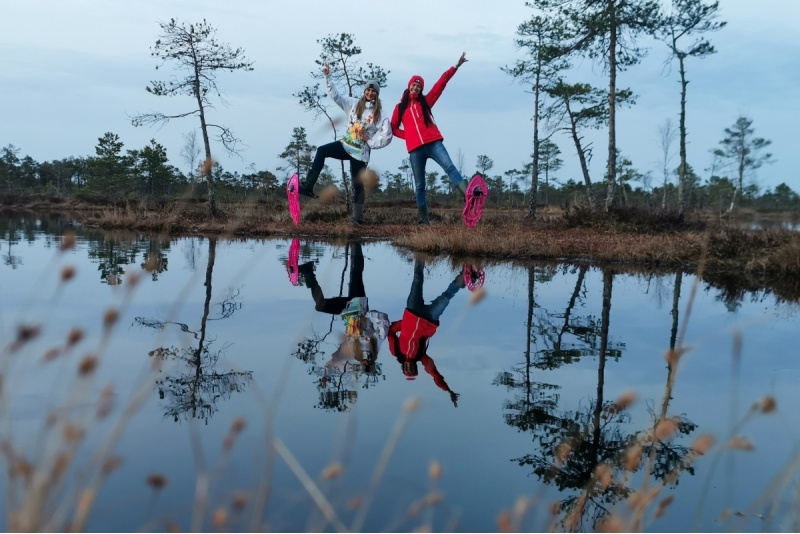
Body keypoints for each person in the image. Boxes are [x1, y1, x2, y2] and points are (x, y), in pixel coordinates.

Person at [390, 52, 483, 226]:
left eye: (419, 86)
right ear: (409, 86)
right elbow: (393, 128)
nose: (416, 88)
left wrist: (455, 66)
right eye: (413, 85)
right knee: (419, 185)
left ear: (421, 89)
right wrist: (408, 137)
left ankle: (469, 195)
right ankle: (424, 221)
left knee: (450, 167)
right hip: (415, 150)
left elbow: (441, 83)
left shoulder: (426, 102)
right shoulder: (400, 108)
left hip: (433, 143)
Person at [299, 64, 393, 225]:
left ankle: (357, 219)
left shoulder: (379, 114)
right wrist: (328, 77)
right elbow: (336, 96)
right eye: (368, 90)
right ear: (364, 91)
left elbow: (387, 136)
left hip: (360, 153)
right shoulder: (353, 104)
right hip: (345, 145)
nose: (370, 93)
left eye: (373, 91)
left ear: (377, 94)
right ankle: (308, 186)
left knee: (357, 184)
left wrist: (370, 141)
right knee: (321, 151)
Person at [387, 259, 467, 407]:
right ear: (416, 368)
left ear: (403, 367)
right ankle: (464, 276)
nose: (409, 368)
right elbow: (434, 374)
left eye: (407, 370)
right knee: (446, 297)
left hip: (412, 311)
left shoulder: (396, 352)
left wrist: (402, 324)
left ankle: (420, 254)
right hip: (429, 319)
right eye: (413, 370)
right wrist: (448, 390)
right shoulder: (421, 357)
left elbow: (390, 332)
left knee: (417, 279)